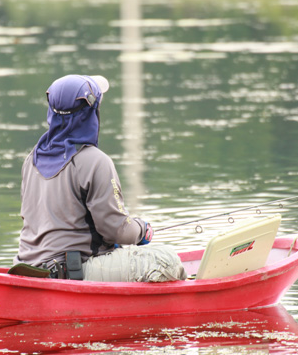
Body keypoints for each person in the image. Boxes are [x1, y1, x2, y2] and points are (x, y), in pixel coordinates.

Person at [13, 74, 186, 282]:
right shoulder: (95, 161)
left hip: (29, 267)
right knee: (168, 260)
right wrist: (142, 230)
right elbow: (118, 231)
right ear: (90, 114)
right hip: (73, 272)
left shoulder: (31, 159)